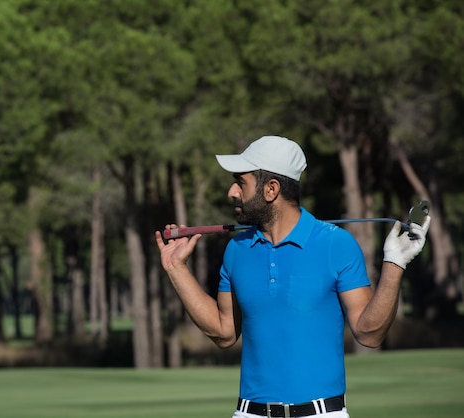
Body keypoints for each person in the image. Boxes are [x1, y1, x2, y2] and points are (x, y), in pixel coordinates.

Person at [155, 135, 431, 418]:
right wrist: (177, 268)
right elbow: (224, 332)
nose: (231, 192)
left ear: (271, 189)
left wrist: (394, 264)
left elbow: (369, 334)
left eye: (240, 182)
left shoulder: (336, 245)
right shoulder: (236, 250)